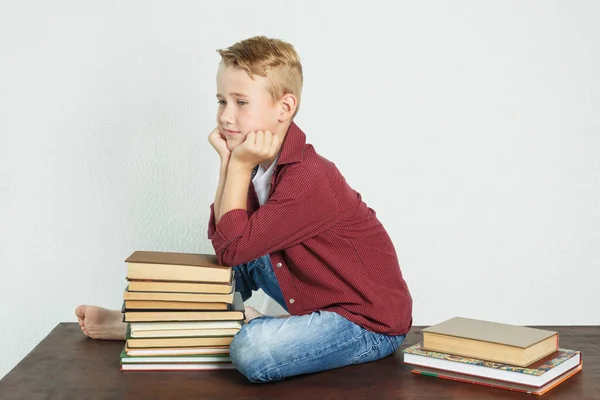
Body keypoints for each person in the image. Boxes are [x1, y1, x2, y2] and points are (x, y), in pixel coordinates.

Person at [75, 35, 413, 383]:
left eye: (241, 102)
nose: (225, 116)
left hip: (367, 321)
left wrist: (237, 166)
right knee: (236, 264)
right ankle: (142, 323)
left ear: (284, 108)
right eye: (222, 101)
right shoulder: (259, 164)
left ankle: (249, 324)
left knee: (252, 350)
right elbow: (224, 246)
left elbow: (232, 247)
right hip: (316, 293)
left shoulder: (309, 175)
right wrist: (228, 163)